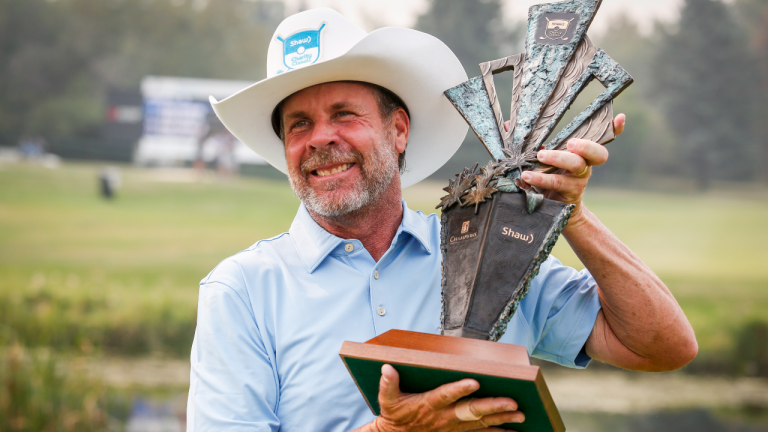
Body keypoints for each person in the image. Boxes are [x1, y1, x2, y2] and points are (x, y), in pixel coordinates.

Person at [187, 8, 698, 432]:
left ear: (399, 130)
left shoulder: (491, 250)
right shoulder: (241, 291)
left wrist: (573, 215)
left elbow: (662, 347)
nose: (320, 138)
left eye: (344, 114)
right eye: (299, 124)